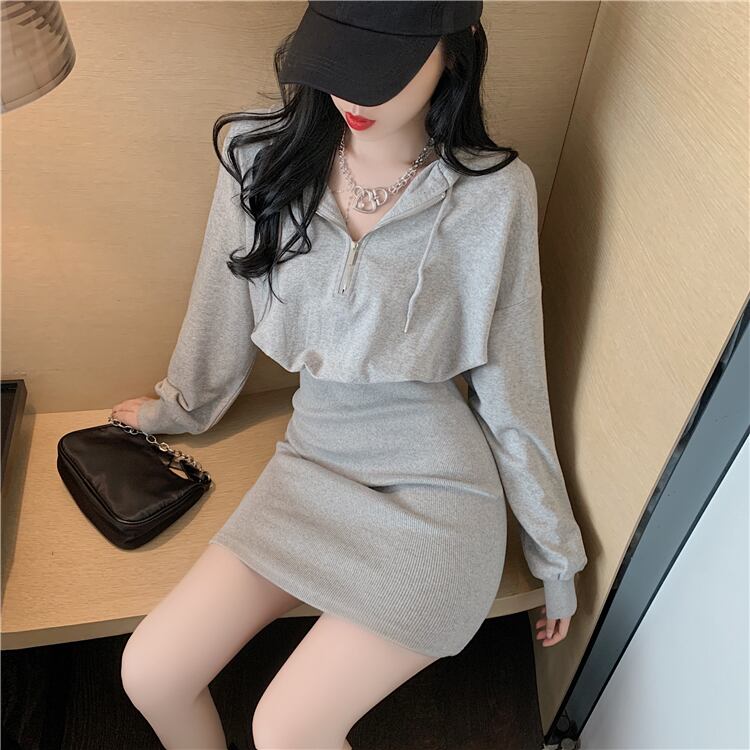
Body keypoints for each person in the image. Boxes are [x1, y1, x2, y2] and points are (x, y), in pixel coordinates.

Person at [115, 2, 588, 748]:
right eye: (339, 59)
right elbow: (219, 306)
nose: (353, 94)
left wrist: (553, 553)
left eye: (382, 66)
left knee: (286, 729)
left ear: (456, 51)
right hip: (311, 464)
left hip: (437, 491)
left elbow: (512, 380)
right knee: (150, 672)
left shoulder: (495, 193)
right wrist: (178, 409)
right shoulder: (258, 157)